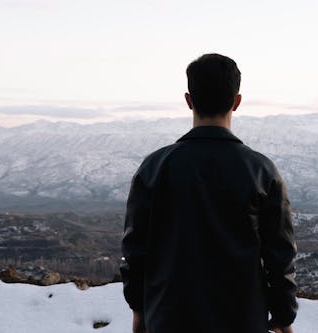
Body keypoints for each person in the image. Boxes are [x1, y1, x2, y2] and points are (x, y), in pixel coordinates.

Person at [120, 53, 297, 333]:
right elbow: (279, 255)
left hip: (168, 316)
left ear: (189, 100)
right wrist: (284, 315)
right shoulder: (262, 171)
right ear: (236, 102)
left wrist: (139, 309)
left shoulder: (154, 168)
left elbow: (135, 251)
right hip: (243, 318)